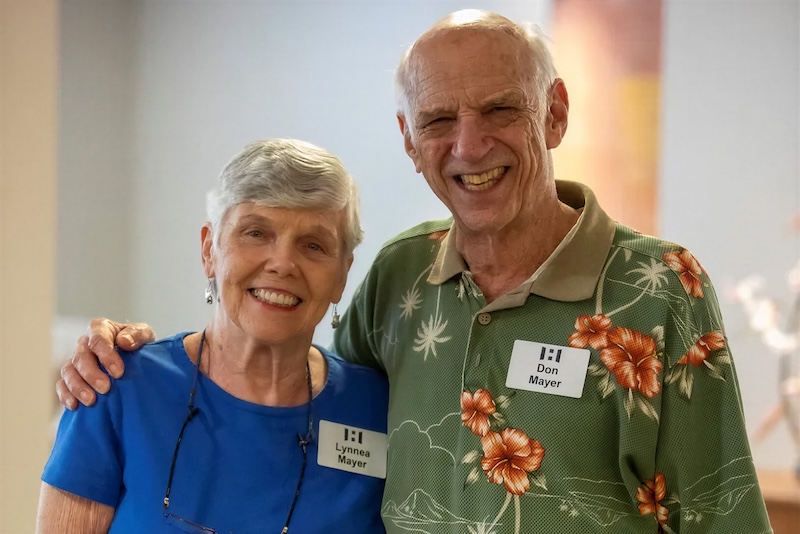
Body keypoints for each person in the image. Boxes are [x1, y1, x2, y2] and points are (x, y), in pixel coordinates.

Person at [55, 10, 773, 534]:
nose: (468, 144)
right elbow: (295, 388)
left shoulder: (659, 288)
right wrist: (116, 350)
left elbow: (724, 513)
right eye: (437, 120)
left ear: (553, 115)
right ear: (408, 139)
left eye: (499, 109)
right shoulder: (402, 276)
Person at [38, 138, 388, 533]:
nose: (283, 264)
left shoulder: (379, 409)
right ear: (209, 250)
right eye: (256, 233)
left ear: (342, 274)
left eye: (313, 245)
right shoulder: (116, 385)